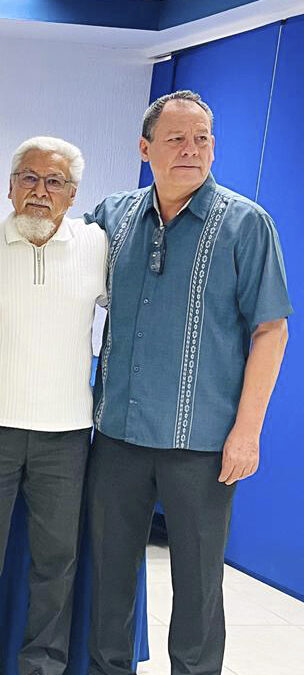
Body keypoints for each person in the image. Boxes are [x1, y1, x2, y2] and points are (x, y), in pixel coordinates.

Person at [86, 90, 292, 675]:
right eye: (176, 138)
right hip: (118, 436)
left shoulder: (247, 224)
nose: (191, 150)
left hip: (202, 445)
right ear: (145, 147)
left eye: (202, 138)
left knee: (198, 586)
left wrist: (246, 433)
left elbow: (271, 331)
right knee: (110, 577)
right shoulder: (112, 216)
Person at [0, 137, 106, 675]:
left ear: (73, 193)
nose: (41, 191)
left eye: (55, 181)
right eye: (29, 178)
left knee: (56, 566)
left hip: (66, 434)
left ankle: (43, 665)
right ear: (10, 186)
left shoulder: (97, 246)